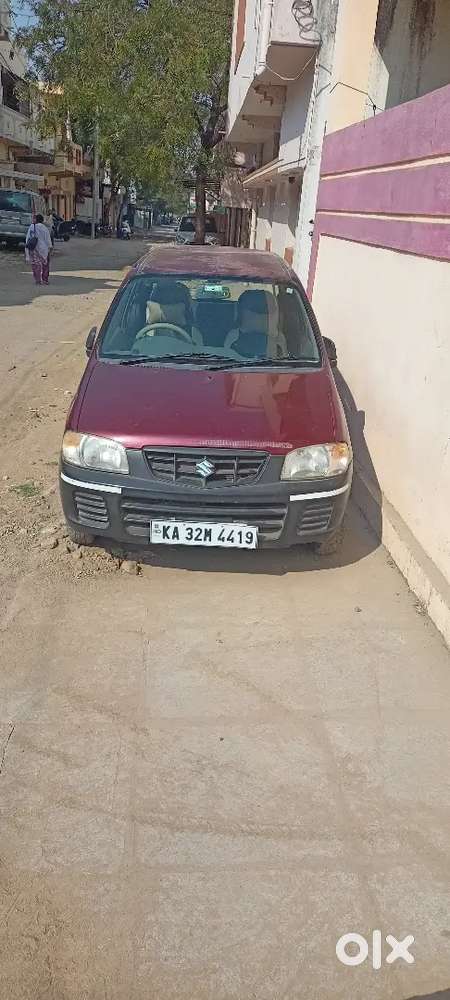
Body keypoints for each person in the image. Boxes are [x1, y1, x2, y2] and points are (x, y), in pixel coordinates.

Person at [25, 214, 53, 286]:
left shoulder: (31, 227)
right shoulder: (44, 228)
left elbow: (28, 238)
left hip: (33, 248)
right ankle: (45, 279)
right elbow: (47, 239)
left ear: (36, 220)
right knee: (45, 264)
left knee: (35, 264)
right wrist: (50, 247)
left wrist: (27, 248)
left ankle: (37, 280)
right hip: (43, 249)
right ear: (42, 220)